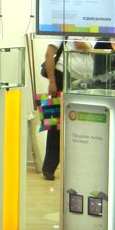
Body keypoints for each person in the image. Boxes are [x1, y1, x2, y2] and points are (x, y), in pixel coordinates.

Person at [41, 37, 92, 181]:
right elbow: (49, 55)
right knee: (55, 126)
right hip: (62, 78)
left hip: (84, 82)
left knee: (79, 124)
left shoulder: (92, 32)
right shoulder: (63, 31)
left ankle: (77, 167)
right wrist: (52, 82)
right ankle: (49, 168)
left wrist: (87, 47)